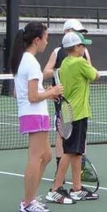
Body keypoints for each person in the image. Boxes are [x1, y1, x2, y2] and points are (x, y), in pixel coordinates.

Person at [10, 22, 63, 212]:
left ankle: (31, 198)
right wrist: (52, 92)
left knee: (47, 156)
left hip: (36, 113)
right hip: (33, 113)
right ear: (36, 39)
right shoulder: (30, 62)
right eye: (46, 38)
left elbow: (18, 93)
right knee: (35, 157)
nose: (47, 42)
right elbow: (31, 97)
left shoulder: (23, 60)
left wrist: (46, 93)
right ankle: (28, 203)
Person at [47, 31, 100, 202]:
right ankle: (55, 188)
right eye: (83, 45)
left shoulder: (63, 66)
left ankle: (76, 188)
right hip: (77, 113)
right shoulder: (80, 63)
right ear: (76, 48)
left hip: (67, 112)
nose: (85, 48)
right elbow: (95, 75)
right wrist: (88, 64)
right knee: (70, 152)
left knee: (77, 152)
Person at [43, 19, 92, 183]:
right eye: (77, 31)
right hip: (62, 99)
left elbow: (90, 72)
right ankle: (60, 170)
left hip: (80, 100)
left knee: (79, 136)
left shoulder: (84, 52)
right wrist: (63, 70)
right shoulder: (57, 52)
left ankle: (81, 171)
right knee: (62, 133)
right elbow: (46, 72)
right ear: (67, 32)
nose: (81, 36)